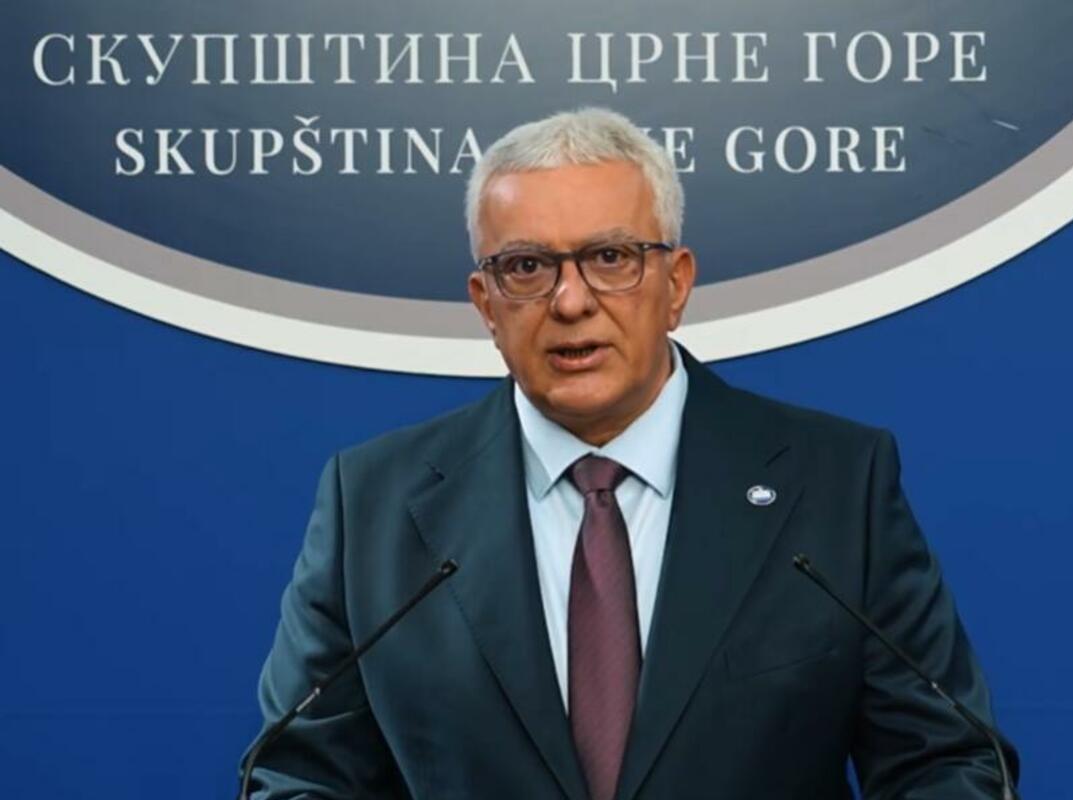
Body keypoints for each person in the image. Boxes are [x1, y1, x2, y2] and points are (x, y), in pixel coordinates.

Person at [243, 106, 1019, 799]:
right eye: (527, 267)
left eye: (611, 258)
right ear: (485, 304)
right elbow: (300, 777)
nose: (571, 300)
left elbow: (945, 762)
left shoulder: (836, 485)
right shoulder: (372, 505)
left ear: (675, 284)